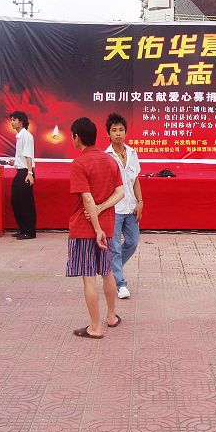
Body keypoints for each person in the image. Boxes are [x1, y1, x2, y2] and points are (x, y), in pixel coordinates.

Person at [67, 117, 124, 339]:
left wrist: (96, 225)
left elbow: (87, 199)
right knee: (107, 272)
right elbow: (120, 192)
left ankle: (95, 326)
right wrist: (103, 210)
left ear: (77, 137)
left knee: (88, 276)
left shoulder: (80, 163)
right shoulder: (110, 161)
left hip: (85, 228)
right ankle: (111, 316)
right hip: (108, 226)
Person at [104, 113, 144, 299]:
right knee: (114, 248)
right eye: (114, 130)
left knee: (132, 243)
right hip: (114, 208)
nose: (118, 133)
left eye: (121, 130)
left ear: (126, 132)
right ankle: (120, 284)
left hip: (131, 207)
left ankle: (112, 269)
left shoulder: (133, 153)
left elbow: (135, 180)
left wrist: (140, 202)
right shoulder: (106, 157)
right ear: (108, 134)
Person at [8, 110, 37, 240]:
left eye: (14, 120)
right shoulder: (19, 136)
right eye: (11, 120)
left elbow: (29, 155)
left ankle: (29, 231)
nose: (12, 122)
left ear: (21, 121)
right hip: (20, 171)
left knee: (26, 203)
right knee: (16, 201)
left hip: (26, 172)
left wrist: (30, 173)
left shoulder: (26, 136)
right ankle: (22, 229)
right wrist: (15, 162)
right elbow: (22, 157)